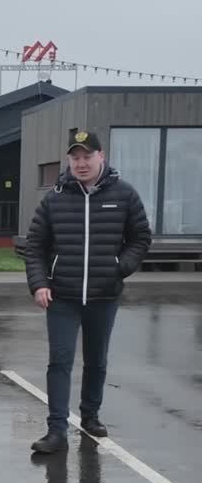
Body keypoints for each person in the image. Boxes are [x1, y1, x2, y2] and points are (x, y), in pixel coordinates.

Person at [25, 130, 152, 454]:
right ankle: (56, 431)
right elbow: (35, 246)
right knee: (60, 361)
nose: (81, 163)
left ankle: (90, 415)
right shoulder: (54, 199)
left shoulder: (124, 194)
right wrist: (39, 283)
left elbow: (140, 237)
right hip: (62, 296)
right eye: (75, 157)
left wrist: (119, 267)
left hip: (103, 295)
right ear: (69, 161)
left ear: (101, 156)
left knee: (96, 360)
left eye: (87, 156)